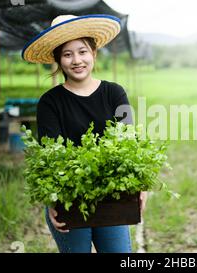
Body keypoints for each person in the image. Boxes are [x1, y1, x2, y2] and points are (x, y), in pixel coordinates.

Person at [22, 14, 147, 253]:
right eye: (67, 54)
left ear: (94, 53)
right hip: (69, 201)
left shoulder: (114, 93)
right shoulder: (50, 102)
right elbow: (50, 158)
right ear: (58, 59)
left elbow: (130, 144)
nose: (76, 60)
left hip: (113, 198)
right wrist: (52, 201)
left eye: (82, 51)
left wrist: (141, 186)